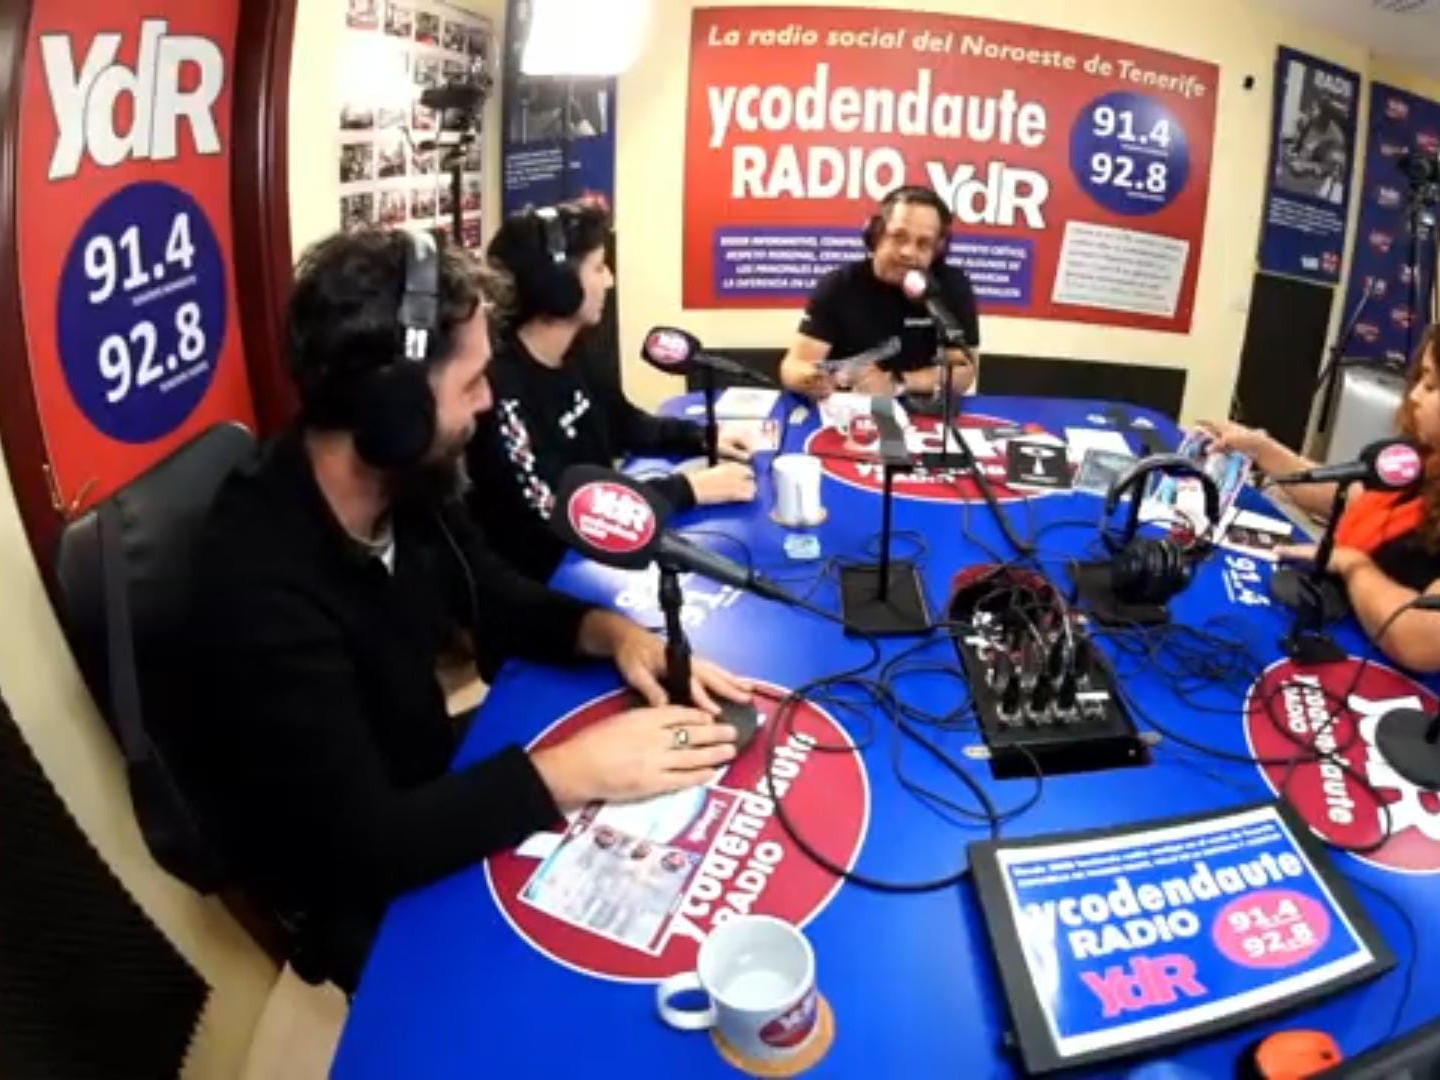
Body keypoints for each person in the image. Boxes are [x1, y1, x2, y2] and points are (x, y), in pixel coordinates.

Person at [186, 228, 754, 990]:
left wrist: (615, 635)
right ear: (393, 409)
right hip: (358, 867)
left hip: (427, 772)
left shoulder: (406, 481)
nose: (488, 402)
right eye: (472, 382)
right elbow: (363, 842)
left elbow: (493, 593)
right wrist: (573, 770)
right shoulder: (257, 581)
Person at [1197, 314, 1440, 738]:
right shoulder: (1437, 458)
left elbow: (1418, 637)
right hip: (1359, 646)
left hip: (1435, 723)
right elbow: (1352, 497)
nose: (1414, 396)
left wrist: (1354, 566)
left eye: (1432, 385)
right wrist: (1262, 450)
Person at [466, 202, 757, 581]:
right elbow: (554, 512)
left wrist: (701, 438)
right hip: (551, 580)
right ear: (559, 285)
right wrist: (687, 490)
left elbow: (625, 424)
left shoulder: (577, 351)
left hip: (599, 560)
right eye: (599, 267)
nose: (610, 280)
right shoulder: (501, 387)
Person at [778, 186, 980, 402]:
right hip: (849, 409)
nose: (908, 252)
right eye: (899, 237)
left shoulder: (950, 287)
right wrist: (813, 379)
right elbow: (793, 367)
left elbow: (964, 373)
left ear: (937, 250)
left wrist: (896, 383)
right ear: (876, 235)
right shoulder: (839, 285)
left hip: (919, 409)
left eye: (923, 244)